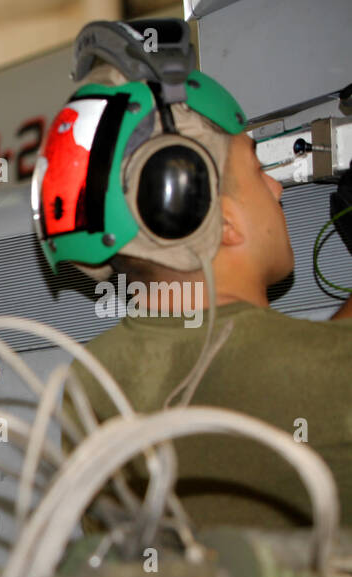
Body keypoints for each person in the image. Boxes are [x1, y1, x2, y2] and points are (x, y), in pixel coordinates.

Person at [33, 20, 352, 532]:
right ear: (219, 218)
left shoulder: (89, 385)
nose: (277, 187)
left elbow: (281, 365)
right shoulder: (329, 372)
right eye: (255, 167)